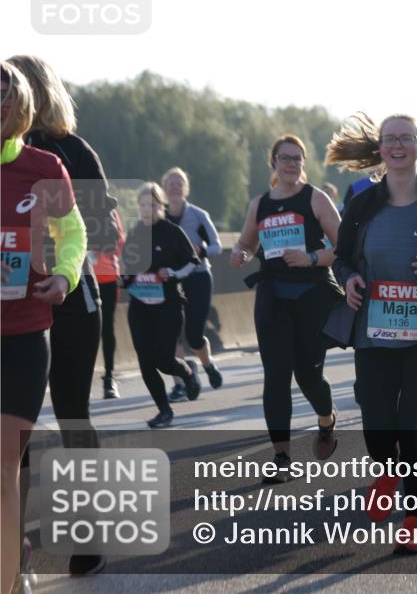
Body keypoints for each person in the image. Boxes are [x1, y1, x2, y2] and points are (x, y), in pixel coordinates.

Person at [328, 113, 417, 555]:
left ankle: (413, 521)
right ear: (380, 149)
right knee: (377, 427)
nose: (397, 145)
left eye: (405, 138)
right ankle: (386, 472)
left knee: (411, 427)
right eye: (389, 139)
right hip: (374, 338)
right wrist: (350, 279)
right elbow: (341, 260)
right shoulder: (361, 206)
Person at [10, 53, 119, 577]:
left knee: (72, 413)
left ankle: (88, 533)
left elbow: (104, 232)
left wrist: (52, 261)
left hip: (69, 301)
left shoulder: (69, 152)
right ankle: (15, 545)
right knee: (16, 428)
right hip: (13, 310)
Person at [1, 61, 87, 594]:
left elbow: (73, 232)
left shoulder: (44, 166)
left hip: (24, 336)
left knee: (5, 465)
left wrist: (63, 275)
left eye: (3, 98)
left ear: (18, 108)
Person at [230, 135, 340, 480]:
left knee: (308, 375)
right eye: (285, 158)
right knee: (276, 376)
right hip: (272, 294)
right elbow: (246, 243)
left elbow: (345, 246)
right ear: (274, 163)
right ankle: (281, 458)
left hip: (310, 295)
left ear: (303, 164)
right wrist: (241, 254)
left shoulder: (315, 199)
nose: (291, 164)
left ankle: (326, 420)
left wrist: (310, 258)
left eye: (297, 159)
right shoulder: (259, 204)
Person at [121, 183, 203, 428]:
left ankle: (187, 373)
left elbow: (192, 262)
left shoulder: (172, 232)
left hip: (168, 305)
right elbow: (127, 268)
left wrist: (174, 273)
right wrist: (124, 278)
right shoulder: (135, 232)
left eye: (153, 204)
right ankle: (164, 410)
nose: (148, 209)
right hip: (140, 306)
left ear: (161, 205)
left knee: (164, 359)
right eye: (143, 205)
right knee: (146, 361)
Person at [161, 167, 224, 401]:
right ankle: (180, 382)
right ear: (164, 189)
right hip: (171, 280)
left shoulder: (198, 215)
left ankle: (207, 365)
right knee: (172, 333)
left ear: (186, 189)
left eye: (179, 183)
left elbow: (218, 246)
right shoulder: (159, 217)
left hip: (198, 277)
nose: (175, 187)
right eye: (170, 183)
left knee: (194, 334)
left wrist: (203, 250)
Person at [91, 209, 126, 398]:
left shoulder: (109, 209)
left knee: (107, 329)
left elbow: (120, 242)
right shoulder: (70, 203)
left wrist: (103, 246)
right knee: (81, 330)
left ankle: (109, 378)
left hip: (107, 277)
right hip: (79, 278)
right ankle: (80, 378)